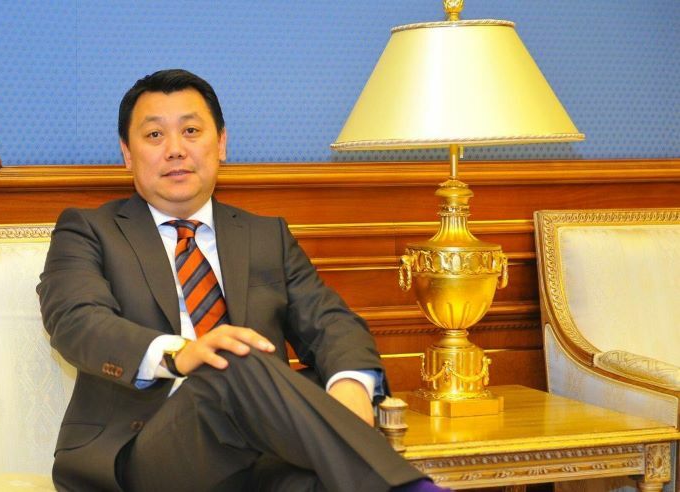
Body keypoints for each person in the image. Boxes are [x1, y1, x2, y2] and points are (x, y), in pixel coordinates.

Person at [37, 69, 443, 491]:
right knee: (231, 355)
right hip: (144, 454)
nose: (175, 150)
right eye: (154, 135)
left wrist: (350, 386)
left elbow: (330, 322)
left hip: (261, 455)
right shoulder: (89, 230)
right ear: (127, 153)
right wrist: (183, 354)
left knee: (323, 475)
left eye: (191, 131)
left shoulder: (266, 236)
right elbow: (76, 321)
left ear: (221, 144)